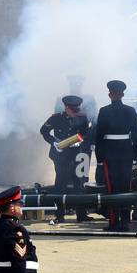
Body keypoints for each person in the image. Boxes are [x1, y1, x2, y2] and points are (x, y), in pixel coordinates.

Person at [93, 80, 137, 231]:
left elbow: (99, 136)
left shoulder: (104, 111)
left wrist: (99, 157)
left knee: (111, 188)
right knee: (125, 187)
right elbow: (136, 135)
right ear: (122, 94)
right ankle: (125, 221)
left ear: (110, 94)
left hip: (110, 153)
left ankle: (114, 222)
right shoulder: (130, 110)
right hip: (126, 152)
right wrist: (136, 154)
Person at [39, 94, 93, 223]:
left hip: (76, 154)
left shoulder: (83, 118)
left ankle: (81, 214)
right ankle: (60, 215)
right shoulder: (56, 118)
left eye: (77, 110)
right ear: (66, 108)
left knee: (78, 185)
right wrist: (53, 143)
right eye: (73, 110)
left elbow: (86, 132)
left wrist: (80, 141)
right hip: (60, 155)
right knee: (60, 184)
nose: (75, 113)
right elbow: (44, 131)